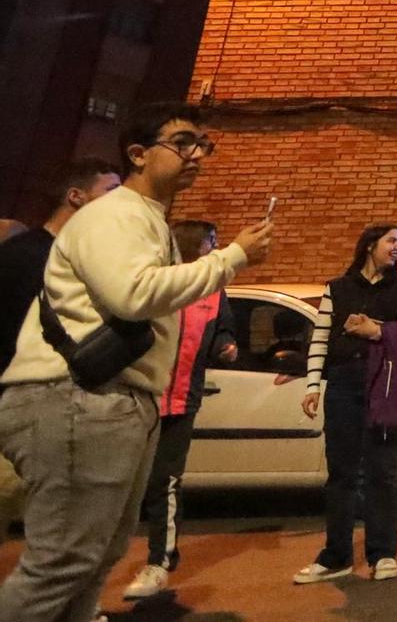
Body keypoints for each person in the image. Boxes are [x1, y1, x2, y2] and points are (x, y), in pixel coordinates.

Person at [0, 104, 271, 622]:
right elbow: (133, 294)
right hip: (79, 396)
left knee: (95, 557)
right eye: (184, 142)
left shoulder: (148, 221)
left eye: (203, 146)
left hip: (112, 400)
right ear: (139, 154)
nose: (197, 154)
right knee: (63, 561)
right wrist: (231, 256)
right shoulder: (117, 212)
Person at [294, 224, 397, 585]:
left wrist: (377, 330)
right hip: (342, 387)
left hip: (381, 387)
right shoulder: (337, 289)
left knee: (382, 472)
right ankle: (336, 556)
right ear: (370, 246)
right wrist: (312, 387)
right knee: (341, 476)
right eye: (391, 241)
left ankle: (383, 553)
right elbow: (320, 338)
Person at [122, 221, 241, 601]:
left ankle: (160, 560)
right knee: (119, 485)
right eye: (212, 241)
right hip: (140, 398)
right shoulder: (157, 283)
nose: (216, 248)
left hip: (183, 401)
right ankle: (93, 567)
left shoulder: (214, 292)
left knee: (165, 482)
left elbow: (223, 330)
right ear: (194, 244)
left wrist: (226, 345)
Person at [0, 158, 123, 383]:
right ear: (75, 196)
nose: (122, 202)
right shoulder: (25, 253)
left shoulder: (84, 258)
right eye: (113, 191)